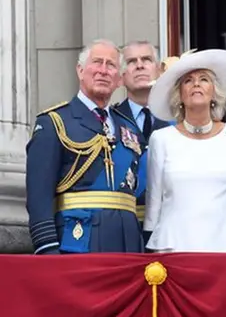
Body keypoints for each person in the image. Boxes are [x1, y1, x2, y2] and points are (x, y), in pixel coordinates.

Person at [26, 39, 145, 254]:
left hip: (128, 245)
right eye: (97, 62)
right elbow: (38, 196)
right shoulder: (55, 122)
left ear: (119, 79)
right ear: (80, 70)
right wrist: (47, 248)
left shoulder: (130, 128)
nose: (103, 70)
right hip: (78, 242)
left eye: (111, 65)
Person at [143, 49, 226, 252]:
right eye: (188, 80)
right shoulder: (161, 139)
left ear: (214, 91)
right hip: (175, 248)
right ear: (179, 95)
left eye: (204, 79)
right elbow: (154, 204)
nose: (196, 84)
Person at [114, 40, 170, 231]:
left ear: (159, 70)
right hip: (125, 226)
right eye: (131, 61)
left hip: (168, 226)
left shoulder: (177, 120)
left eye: (146, 59)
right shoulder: (110, 121)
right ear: (121, 77)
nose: (139, 65)